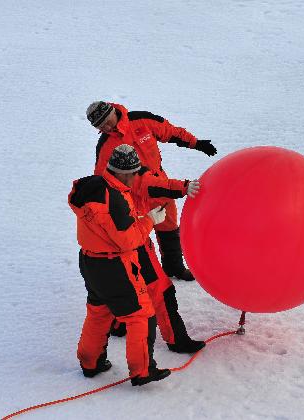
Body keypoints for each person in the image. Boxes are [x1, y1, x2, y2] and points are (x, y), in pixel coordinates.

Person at [68, 146, 171, 386]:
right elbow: (129, 240)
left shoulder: (94, 187)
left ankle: (90, 363)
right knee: (141, 315)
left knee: (99, 312)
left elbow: (111, 227)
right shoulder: (113, 198)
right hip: (115, 265)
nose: (136, 178)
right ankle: (142, 371)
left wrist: (137, 220)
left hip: (91, 262)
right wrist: (149, 220)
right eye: (134, 173)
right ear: (124, 173)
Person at [86, 101, 217, 281]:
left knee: (169, 229)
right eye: (101, 126)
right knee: (137, 237)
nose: (107, 127)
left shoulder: (141, 120)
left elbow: (170, 131)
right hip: (133, 196)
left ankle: (174, 268)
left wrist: (196, 143)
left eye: (107, 121)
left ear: (112, 111)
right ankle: (142, 277)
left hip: (161, 187)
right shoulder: (105, 146)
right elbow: (101, 178)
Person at [106, 145, 206, 354]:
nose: (134, 178)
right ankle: (176, 340)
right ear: (119, 172)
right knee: (163, 291)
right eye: (130, 174)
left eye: (135, 173)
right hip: (134, 245)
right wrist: (184, 188)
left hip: (108, 253)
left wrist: (183, 187)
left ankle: (117, 325)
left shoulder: (103, 181)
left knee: (125, 287)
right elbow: (158, 186)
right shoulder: (131, 183)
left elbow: (159, 185)